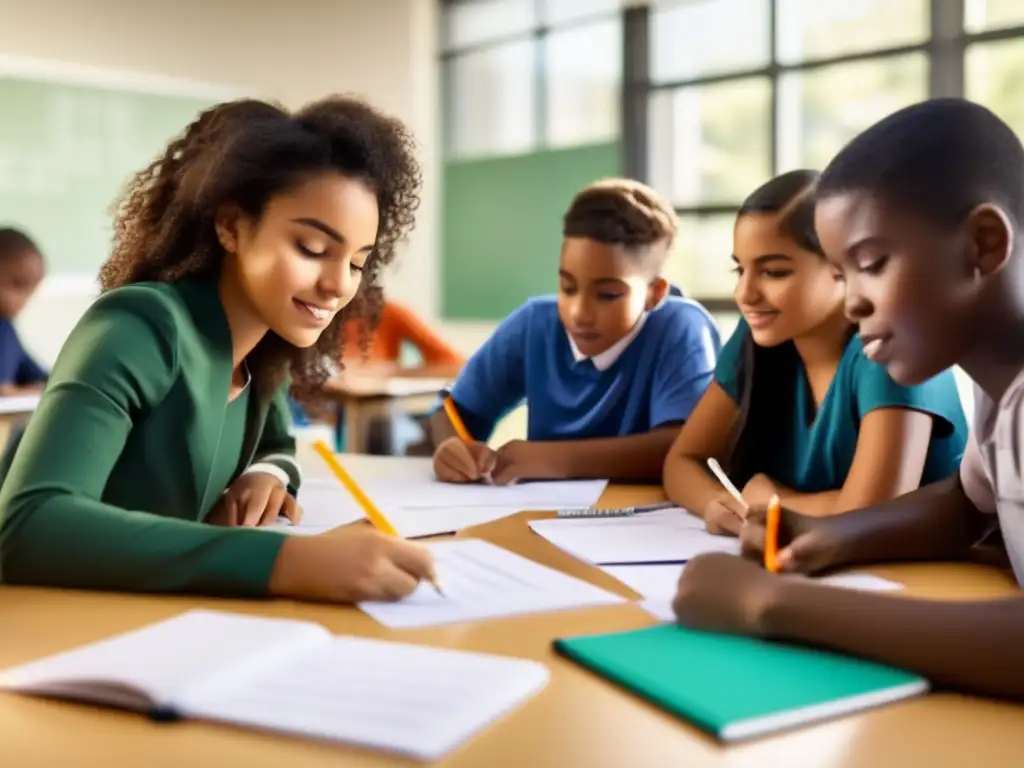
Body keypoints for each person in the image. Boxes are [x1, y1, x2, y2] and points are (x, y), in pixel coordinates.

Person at [0, 95, 436, 604]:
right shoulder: (140, 327)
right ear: (230, 226)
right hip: (51, 631)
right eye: (313, 249)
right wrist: (288, 562)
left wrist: (265, 474)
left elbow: (278, 445)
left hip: (165, 619)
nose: (339, 285)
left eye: (358, 262)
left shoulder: (260, 349)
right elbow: (28, 523)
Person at [672, 98, 1024, 701]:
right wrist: (837, 536)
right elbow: (968, 503)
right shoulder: (1002, 393)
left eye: (871, 265)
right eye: (842, 273)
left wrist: (775, 604)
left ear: (982, 245)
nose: (853, 303)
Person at [663, 171, 967, 532]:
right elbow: (682, 461)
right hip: (820, 562)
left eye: (774, 272)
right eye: (740, 269)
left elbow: (872, 511)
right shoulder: (762, 336)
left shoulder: (889, 344)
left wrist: (773, 504)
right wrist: (716, 503)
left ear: (845, 266)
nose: (744, 294)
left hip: (929, 577)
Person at [430, 178, 721, 485]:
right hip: (542, 520)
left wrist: (550, 458)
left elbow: (682, 448)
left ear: (654, 293)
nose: (579, 313)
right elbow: (450, 412)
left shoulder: (681, 328)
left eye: (607, 295)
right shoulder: (534, 323)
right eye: (568, 287)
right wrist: (451, 447)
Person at [0, 227, 48, 394]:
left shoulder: (8, 332)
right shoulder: (3, 329)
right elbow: (3, 392)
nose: (23, 300)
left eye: (29, 291)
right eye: (17, 284)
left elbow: (42, 377)